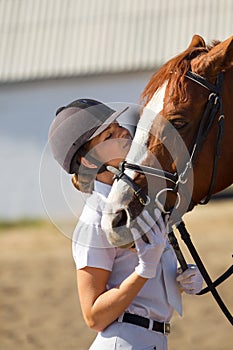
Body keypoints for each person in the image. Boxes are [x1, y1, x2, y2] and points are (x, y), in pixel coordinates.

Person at [48, 98, 203, 350]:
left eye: (118, 124)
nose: (123, 131)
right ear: (89, 161)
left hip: (153, 339)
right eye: (109, 134)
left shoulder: (141, 202)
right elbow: (93, 316)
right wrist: (144, 269)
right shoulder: (95, 220)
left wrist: (179, 281)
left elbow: (142, 291)